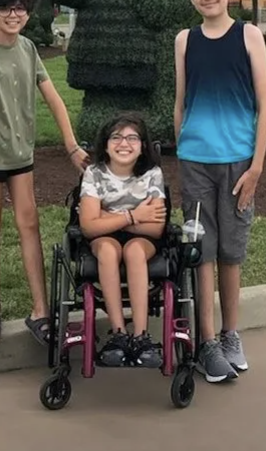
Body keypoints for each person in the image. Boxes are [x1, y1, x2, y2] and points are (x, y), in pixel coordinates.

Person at [0, 0, 89, 347]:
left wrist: (71, 145)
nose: (13, 15)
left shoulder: (28, 49)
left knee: (29, 224)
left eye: (20, 9)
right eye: (5, 9)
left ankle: (40, 310)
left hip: (19, 155)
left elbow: (53, 98)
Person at [174, 0, 266, 383]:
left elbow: (265, 105)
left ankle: (231, 335)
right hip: (195, 162)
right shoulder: (184, 40)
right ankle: (207, 342)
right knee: (202, 254)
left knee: (231, 254)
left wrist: (256, 168)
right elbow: (180, 101)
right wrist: (182, 146)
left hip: (238, 164)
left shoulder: (249, 36)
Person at [79, 114, 167, 369]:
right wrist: (134, 215)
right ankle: (118, 333)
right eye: (116, 137)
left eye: (132, 138)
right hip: (103, 238)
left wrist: (108, 216)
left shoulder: (152, 174)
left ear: (142, 146)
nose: (124, 144)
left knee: (134, 252)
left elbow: (156, 227)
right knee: (107, 250)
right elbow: (88, 226)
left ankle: (140, 335)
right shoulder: (94, 174)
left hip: (143, 239)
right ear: (105, 145)